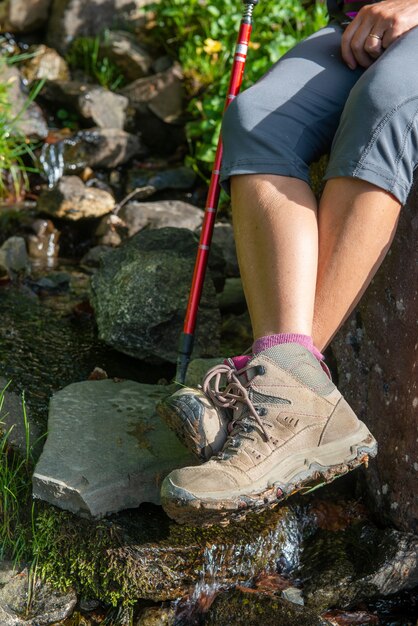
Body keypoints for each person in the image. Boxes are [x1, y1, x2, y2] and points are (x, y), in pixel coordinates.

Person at [158, 0, 418, 525]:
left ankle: (281, 401)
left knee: (386, 104)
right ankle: (286, 388)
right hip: (359, 28)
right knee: (256, 120)